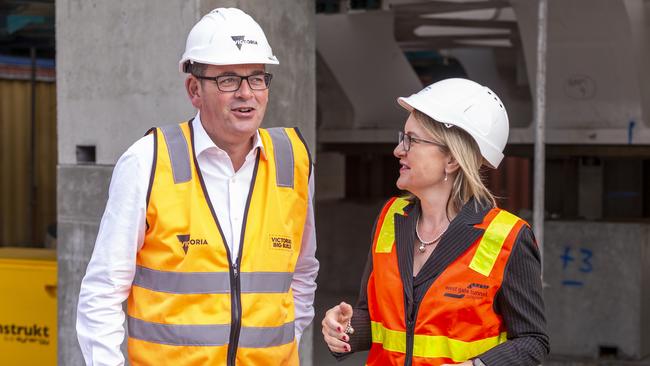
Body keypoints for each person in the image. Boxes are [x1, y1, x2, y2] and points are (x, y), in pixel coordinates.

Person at [76, 8, 318, 366]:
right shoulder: (148, 161)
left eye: (257, 78)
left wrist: (282, 346)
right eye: (228, 80)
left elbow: (302, 272)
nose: (246, 94)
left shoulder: (292, 161)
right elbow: (103, 291)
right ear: (194, 89)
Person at [322, 78, 548, 365]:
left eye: (412, 140)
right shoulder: (391, 217)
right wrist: (344, 330)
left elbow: (533, 341)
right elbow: (377, 318)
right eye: (402, 138)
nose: (398, 150)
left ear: (452, 159)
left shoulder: (508, 237)